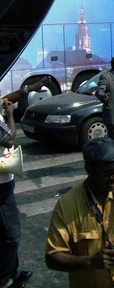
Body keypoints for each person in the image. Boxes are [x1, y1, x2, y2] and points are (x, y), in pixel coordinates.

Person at [45, 138, 114, 287]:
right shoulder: (67, 206)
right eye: (107, 172)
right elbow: (52, 258)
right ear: (88, 169)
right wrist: (90, 261)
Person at [0, 78, 49, 288]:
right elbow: (9, 139)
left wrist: (29, 89)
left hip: (4, 176)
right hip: (0, 186)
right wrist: (11, 117)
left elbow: (6, 99)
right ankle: (5, 279)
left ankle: (10, 271)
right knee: (11, 234)